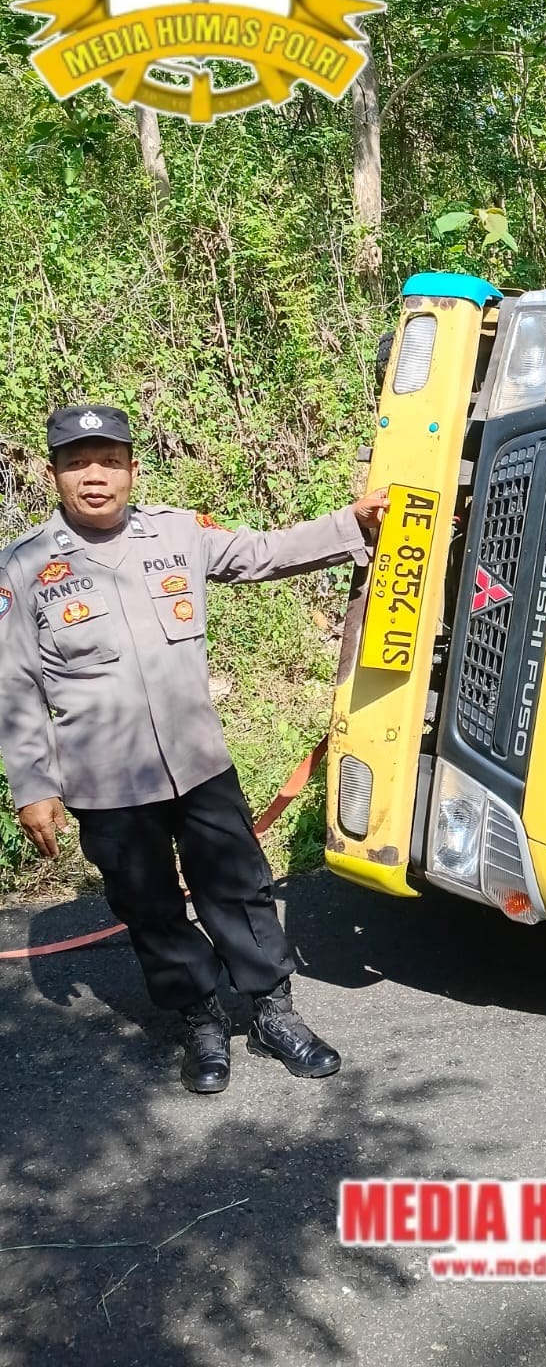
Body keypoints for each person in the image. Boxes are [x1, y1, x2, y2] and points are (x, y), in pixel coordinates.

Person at [0, 405, 388, 1095]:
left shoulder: (178, 532)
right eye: (77, 464)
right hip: (106, 782)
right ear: (54, 474)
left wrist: (351, 524)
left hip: (198, 763)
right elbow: (15, 684)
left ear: (131, 469)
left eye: (108, 462)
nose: (94, 476)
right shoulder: (25, 565)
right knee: (148, 905)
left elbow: (261, 552)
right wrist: (33, 785)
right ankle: (201, 1019)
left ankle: (272, 1012)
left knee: (238, 887)